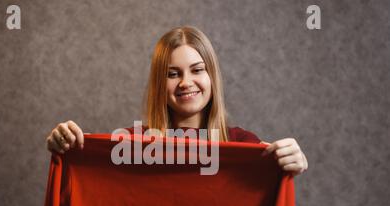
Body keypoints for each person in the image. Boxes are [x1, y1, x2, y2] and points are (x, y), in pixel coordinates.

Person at [45, 26, 308, 176]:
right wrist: (68, 141)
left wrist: (292, 161)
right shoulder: (132, 144)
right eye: (172, 74)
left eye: (197, 70)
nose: (185, 82)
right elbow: (92, 157)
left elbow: (272, 169)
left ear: (212, 76)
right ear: (160, 84)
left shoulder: (242, 144)